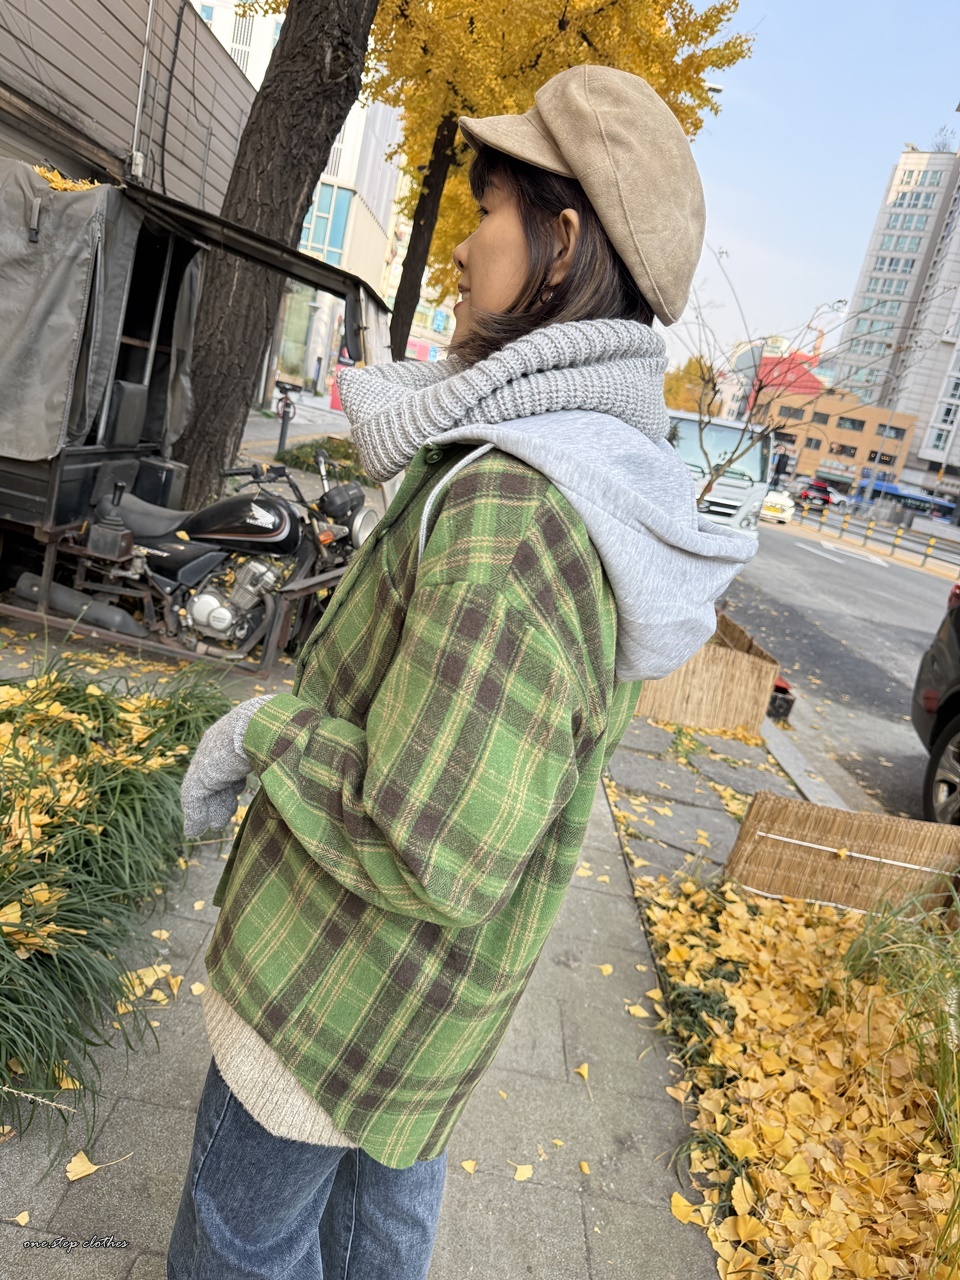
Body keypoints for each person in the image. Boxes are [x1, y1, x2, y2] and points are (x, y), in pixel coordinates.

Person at [167, 63, 757, 1280]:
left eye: (491, 211)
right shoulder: (591, 470)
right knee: (373, 1238)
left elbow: (435, 843)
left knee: (237, 1246)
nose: (465, 242)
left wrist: (262, 733)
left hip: (330, 992)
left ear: (562, 245)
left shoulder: (517, 504)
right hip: (426, 1010)